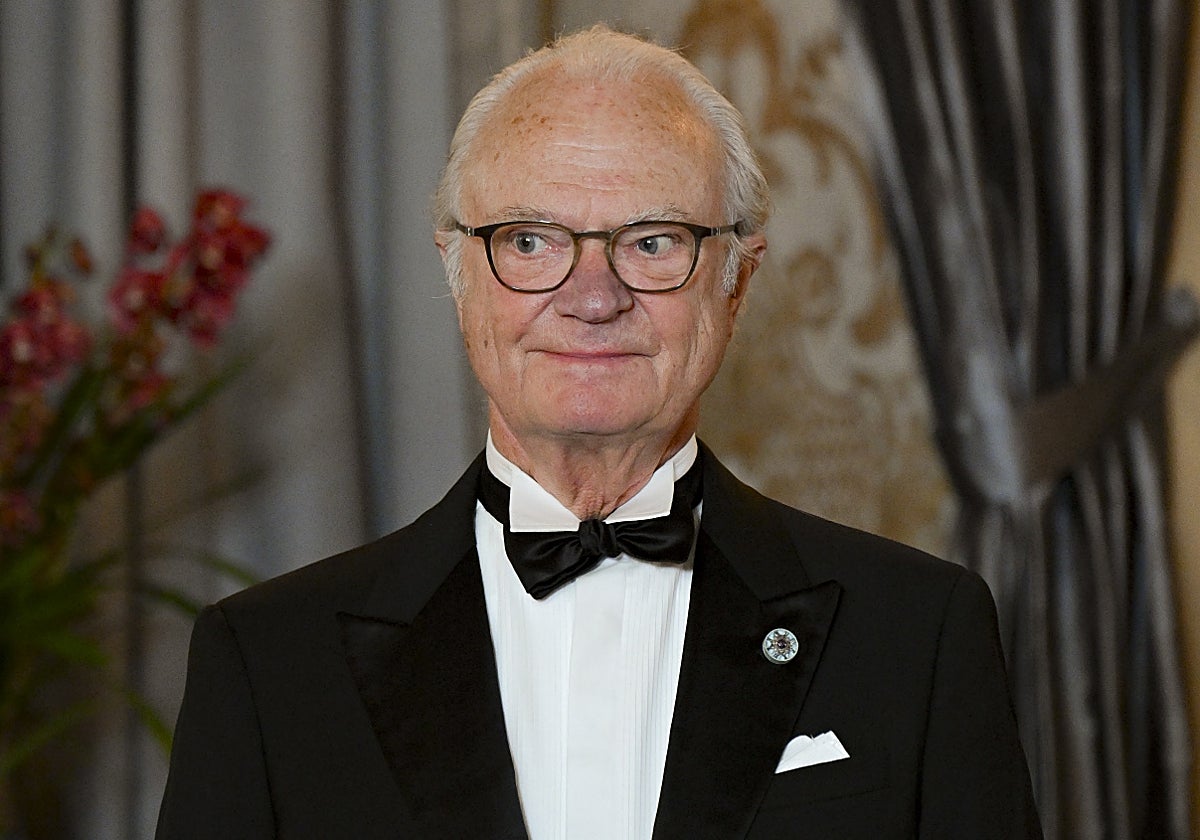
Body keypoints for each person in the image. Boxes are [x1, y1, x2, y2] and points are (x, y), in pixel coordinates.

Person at [155, 25, 1042, 840]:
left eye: (653, 243)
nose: (591, 297)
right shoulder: (270, 663)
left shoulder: (917, 635)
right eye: (530, 242)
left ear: (736, 282)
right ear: (459, 275)